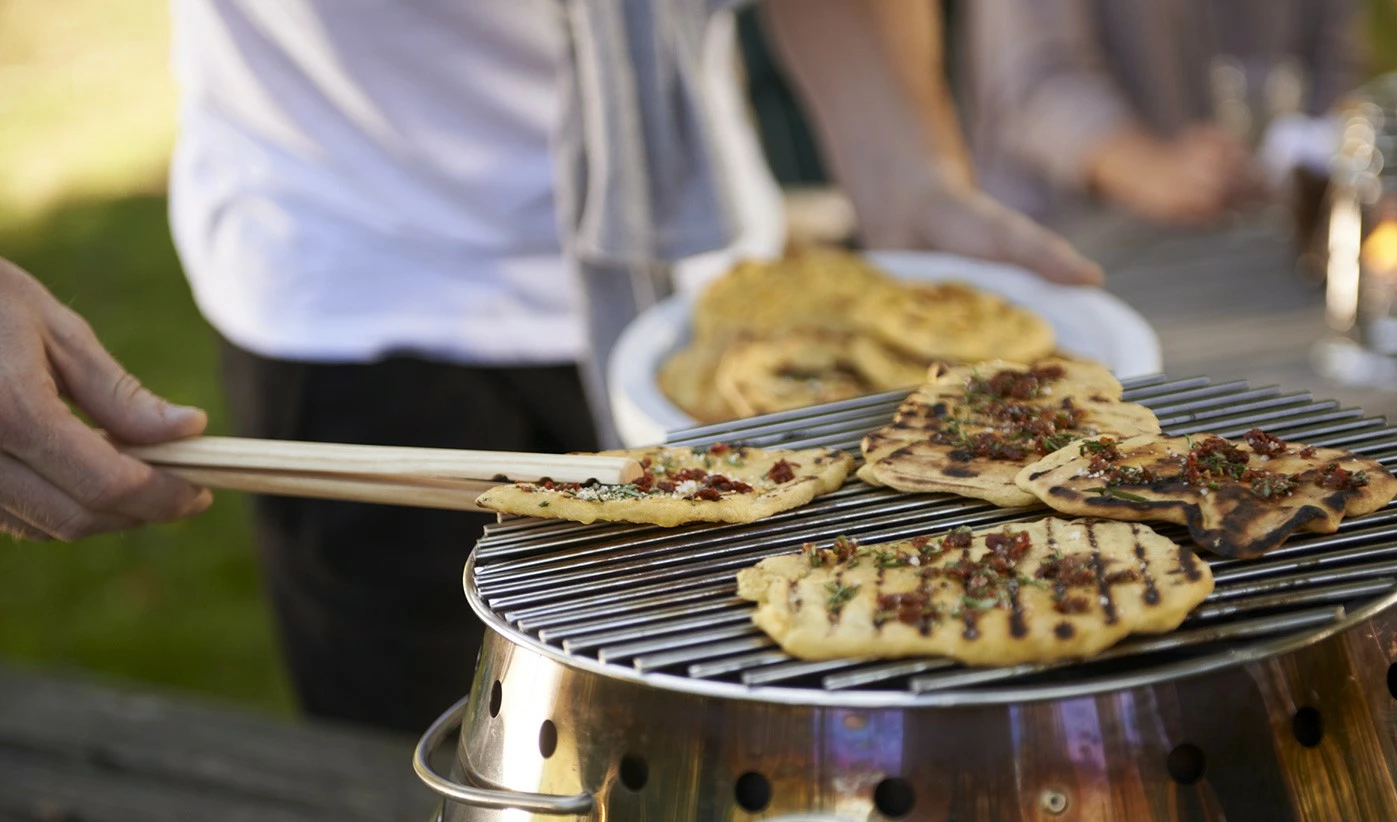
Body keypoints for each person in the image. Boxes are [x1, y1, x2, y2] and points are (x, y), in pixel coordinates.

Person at [0, 0, 1099, 731]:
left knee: (733, 746)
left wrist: (907, 173)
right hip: (361, 281)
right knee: (445, 772)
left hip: (699, 311)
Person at [960, 0, 1366, 224]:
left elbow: (1336, 58)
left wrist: (1308, 154)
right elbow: (1032, 82)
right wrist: (1153, 169)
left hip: (1250, 241)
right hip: (1065, 243)